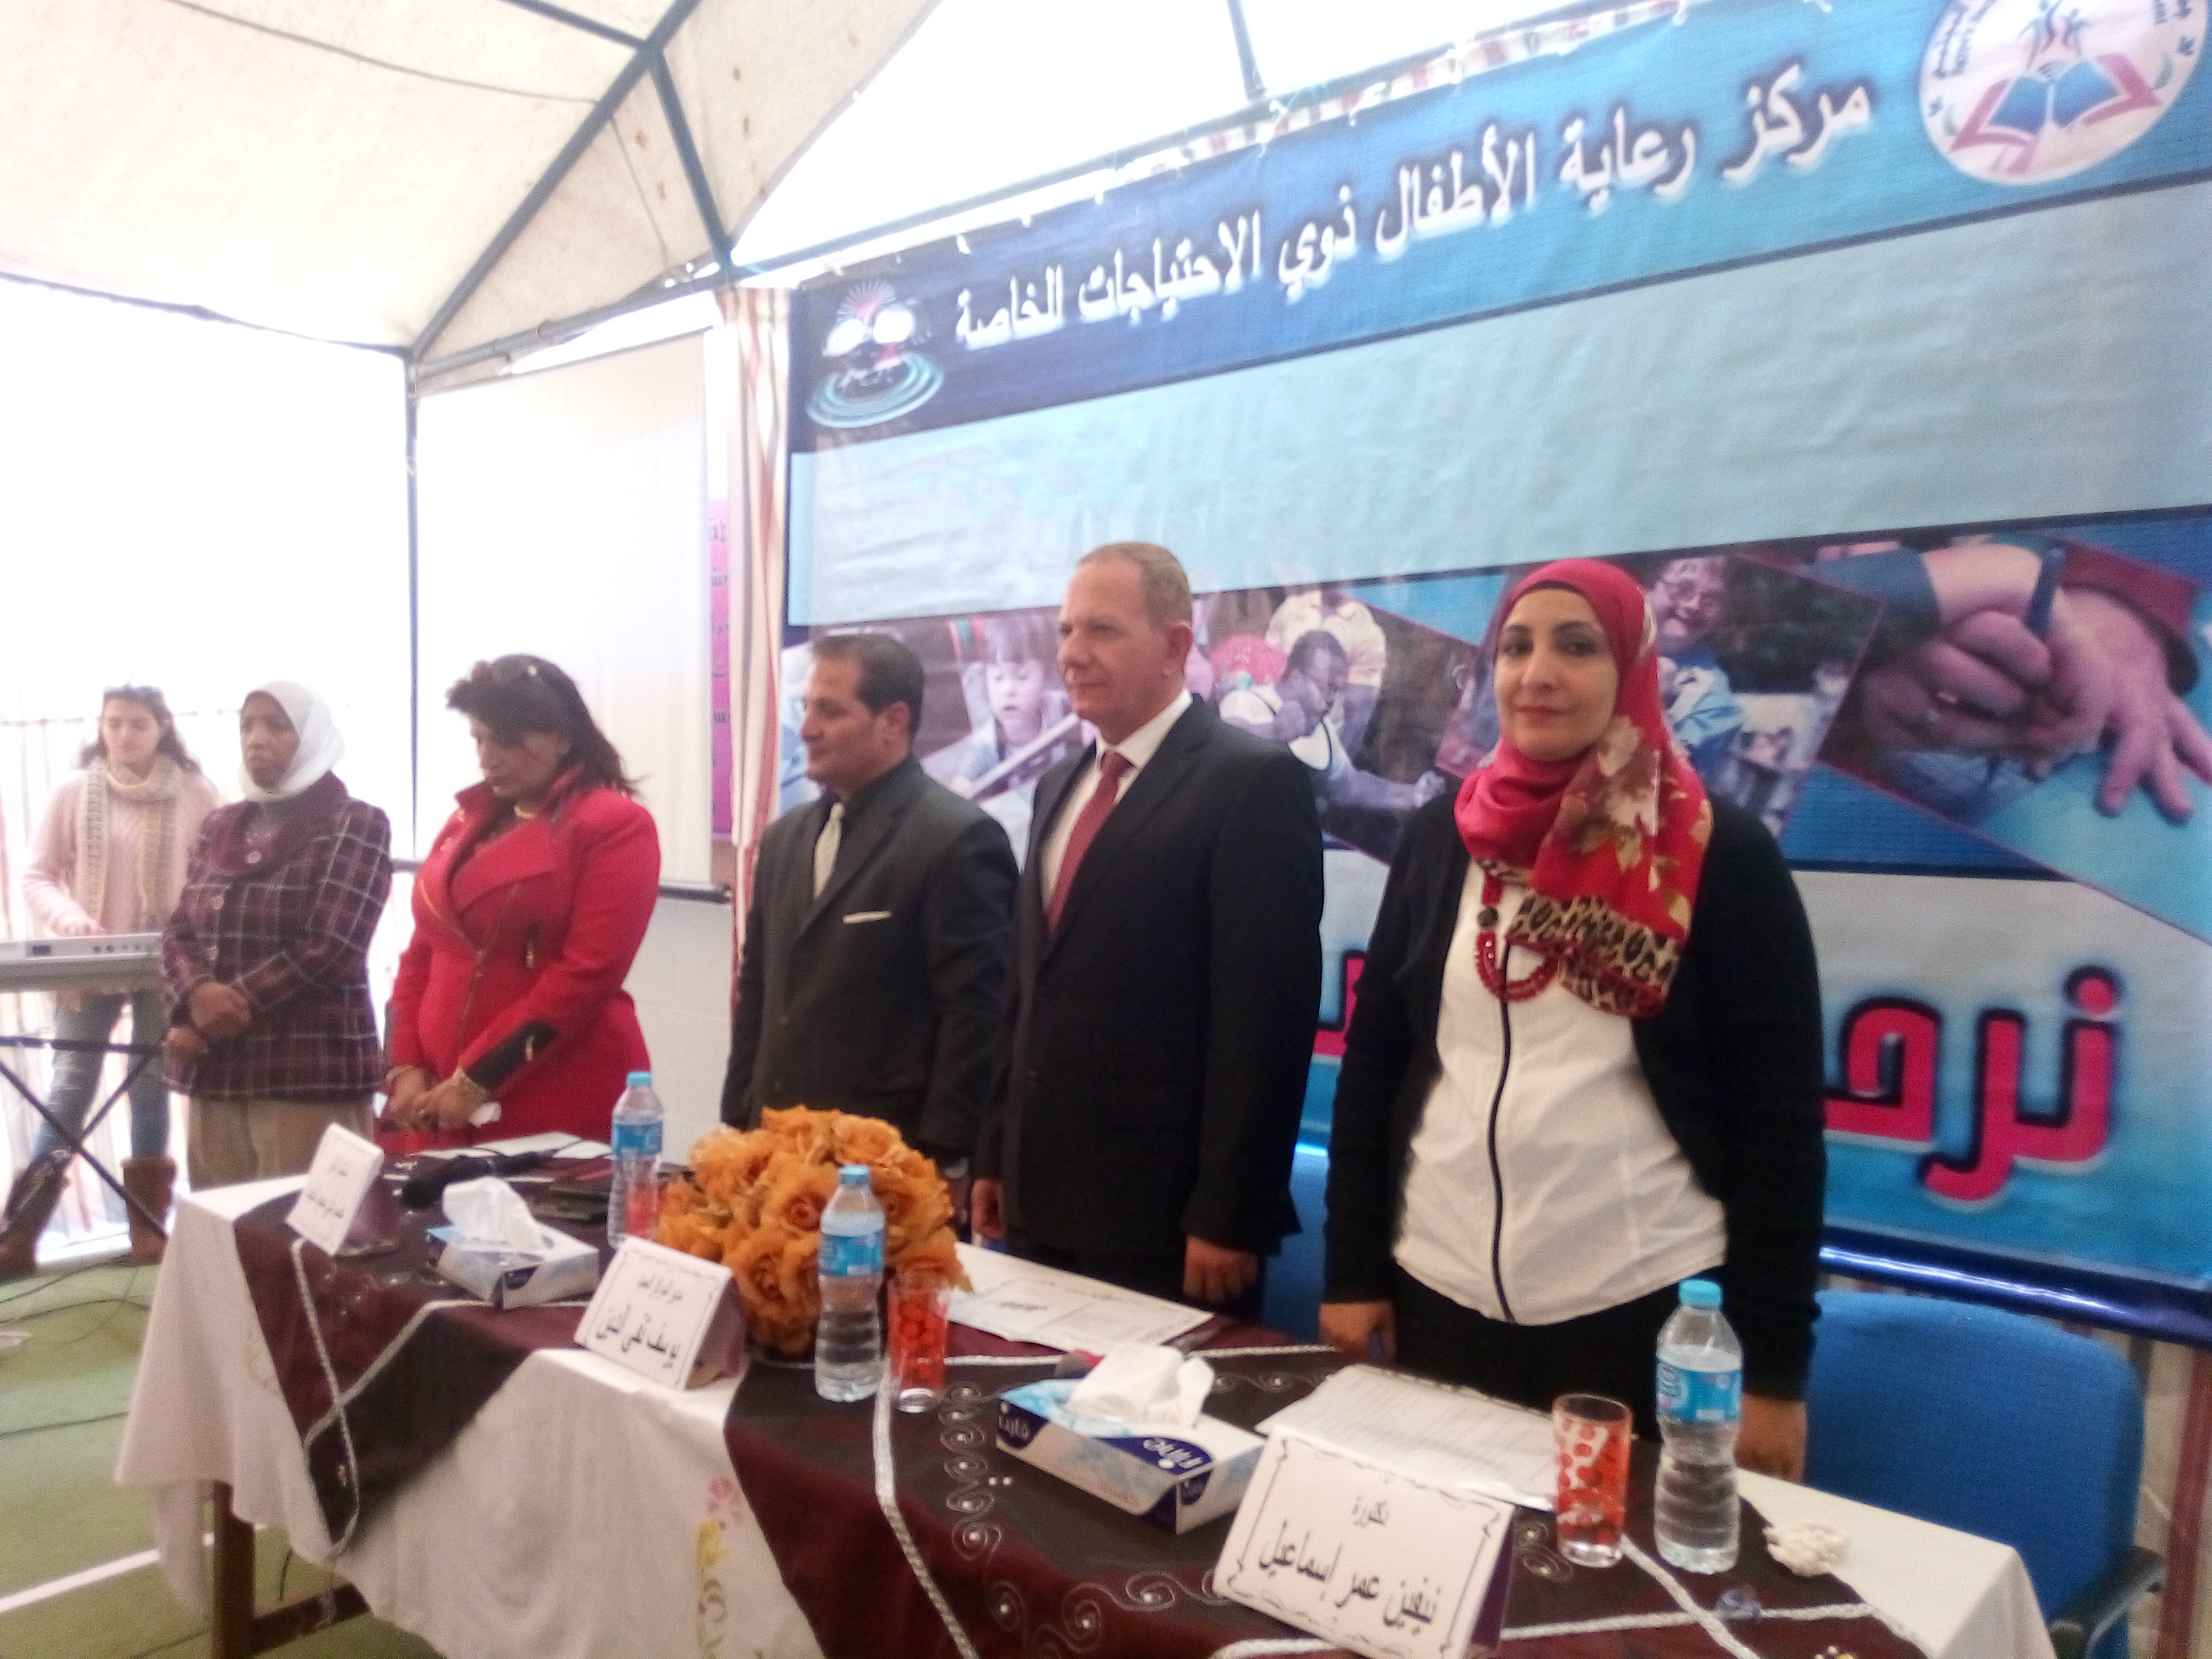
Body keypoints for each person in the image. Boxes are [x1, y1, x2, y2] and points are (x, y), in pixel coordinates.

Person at [1319, 559, 1826, 1479]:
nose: (1537, 674)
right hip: (1436, 1288)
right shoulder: (1440, 837)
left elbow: (1780, 1129)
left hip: (1633, 1313)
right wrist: (1353, 1271)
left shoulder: (1720, 855)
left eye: (1577, 646)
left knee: (1605, 1570)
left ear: (1633, 670)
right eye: (1516, 647)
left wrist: (1774, 1372)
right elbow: (1377, 1064)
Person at [972, 543, 1324, 1319]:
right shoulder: (1059, 784)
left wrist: (1229, 1213)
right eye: (1066, 630)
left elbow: (1265, 1023)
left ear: (1174, 646)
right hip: (1038, 1199)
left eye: (1100, 630)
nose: (1071, 653)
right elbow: (1029, 990)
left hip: (1166, 1223)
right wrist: (995, 1152)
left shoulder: (1251, 783)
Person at [722, 634, 1016, 1185]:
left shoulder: (955, 839)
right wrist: (738, 1122)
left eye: (830, 711)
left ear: (893, 722)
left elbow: (975, 1015)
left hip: (885, 1168)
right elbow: (758, 990)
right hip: (774, 1155)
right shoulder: (784, 840)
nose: (807, 728)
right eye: (806, 708)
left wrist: (942, 1158)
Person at [384, 656, 659, 1145]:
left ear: (563, 738)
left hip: (550, 1091)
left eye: (506, 741)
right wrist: (403, 1066)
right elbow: (422, 951)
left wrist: (476, 1078)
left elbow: (586, 975)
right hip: (437, 1096)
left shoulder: (612, 825)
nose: (487, 759)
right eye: (479, 740)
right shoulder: (465, 821)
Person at [1, 687, 222, 1272]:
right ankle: (18, 1237)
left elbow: (216, 879)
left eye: (137, 724)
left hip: (166, 963)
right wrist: (72, 920)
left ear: (162, 727)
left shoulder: (196, 792)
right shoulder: (75, 791)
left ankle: (147, 1230)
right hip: (88, 962)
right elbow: (37, 875)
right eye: (113, 723)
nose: (123, 735)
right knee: (70, 1087)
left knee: (149, 1085)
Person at [159, 684, 392, 1188]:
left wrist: (223, 1008)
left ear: (313, 737)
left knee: (301, 1231)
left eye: (277, 726)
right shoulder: (220, 825)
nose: (256, 739)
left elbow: (332, 947)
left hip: (306, 1073)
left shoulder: (355, 823)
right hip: (217, 1074)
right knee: (222, 1227)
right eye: (247, 726)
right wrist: (195, 997)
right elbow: (180, 930)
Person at [1646, 555, 1746, 785]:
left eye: (1711, 601)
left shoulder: (1718, 705)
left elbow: (1679, 787)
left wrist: (1656, 704)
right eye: (1683, 588)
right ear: (1650, 584)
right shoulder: (1597, 629)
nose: (1693, 605)